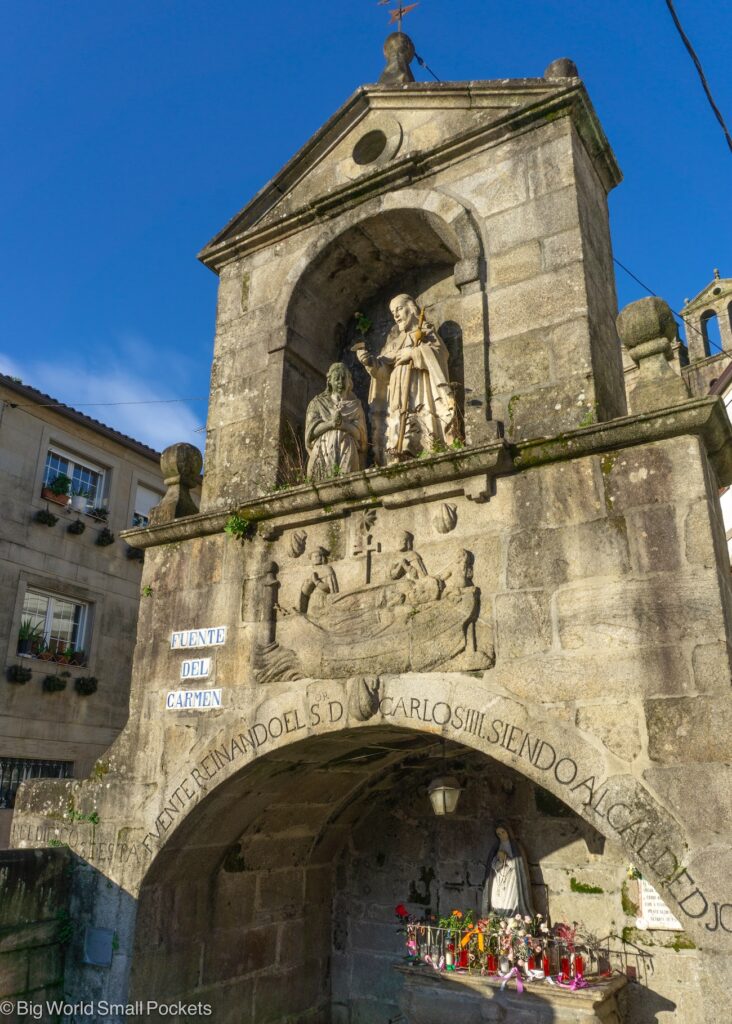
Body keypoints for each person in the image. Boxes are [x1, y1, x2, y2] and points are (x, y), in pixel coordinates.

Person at [354, 294, 455, 462]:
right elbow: (384, 373)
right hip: (397, 391)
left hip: (420, 386)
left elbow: (441, 355)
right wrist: (370, 362)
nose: (395, 315)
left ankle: (426, 444)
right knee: (399, 421)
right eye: (393, 312)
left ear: (411, 309)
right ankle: (399, 449)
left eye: (399, 309)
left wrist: (414, 353)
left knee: (419, 416)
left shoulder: (425, 333)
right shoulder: (394, 344)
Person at [305, 363, 367, 481]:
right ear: (329, 381)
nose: (340, 382)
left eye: (343, 378)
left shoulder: (356, 406)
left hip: (347, 447)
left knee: (347, 483)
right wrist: (331, 424)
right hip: (323, 447)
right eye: (336, 378)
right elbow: (311, 433)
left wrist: (343, 425)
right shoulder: (318, 403)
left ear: (349, 382)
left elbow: (360, 435)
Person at [481, 821, 535, 918]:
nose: (501, 835)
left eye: (503, 832)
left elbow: (518, 865)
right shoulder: (496, 847)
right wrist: (500, 862)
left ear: (508, 832)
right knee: (497, 900)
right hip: (498, 878)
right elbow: (493, 865)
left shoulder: (516, 847)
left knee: (509, 900)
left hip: (511, 879)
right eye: (498, 834)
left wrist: (506, 858)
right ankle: (498, 919)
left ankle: (511, 918)